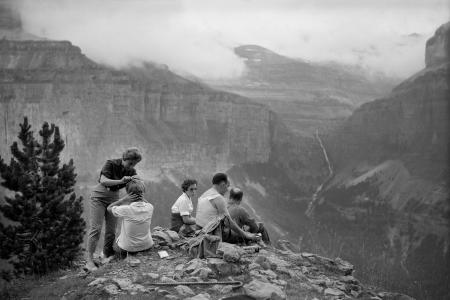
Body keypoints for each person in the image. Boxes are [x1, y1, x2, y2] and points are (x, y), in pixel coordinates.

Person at [85, 147, 142, 271]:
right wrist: (121, 181)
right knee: (96, 228)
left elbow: (137, 184)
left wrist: (137, 183)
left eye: (135, 164)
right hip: (99, 197)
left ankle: (106, 255)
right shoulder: (110, 163)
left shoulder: (132, 170)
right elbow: (103, 181)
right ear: (124, 158)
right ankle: (89, 261)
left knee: (111, 230)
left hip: (114, 198)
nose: (131, 166)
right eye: (130, 163)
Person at [195, 173, 257, 243]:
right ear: (222, 184)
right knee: (249, 232)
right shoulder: (218, 198)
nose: (227, 190)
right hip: (212, 235)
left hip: (200, 231)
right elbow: (228, 222)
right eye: (227, 186)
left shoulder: (204, 195)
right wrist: (245, 235)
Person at [107, 178, 154, 257]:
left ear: (128, 193)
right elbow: (147, 203)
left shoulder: (125, 209)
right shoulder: (150, 207)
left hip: (128, 248)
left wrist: (123, 200)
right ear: (143, 193)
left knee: (114, 236)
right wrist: (141, 197)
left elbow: (109, 208)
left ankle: (111, 256)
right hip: (147, 245)